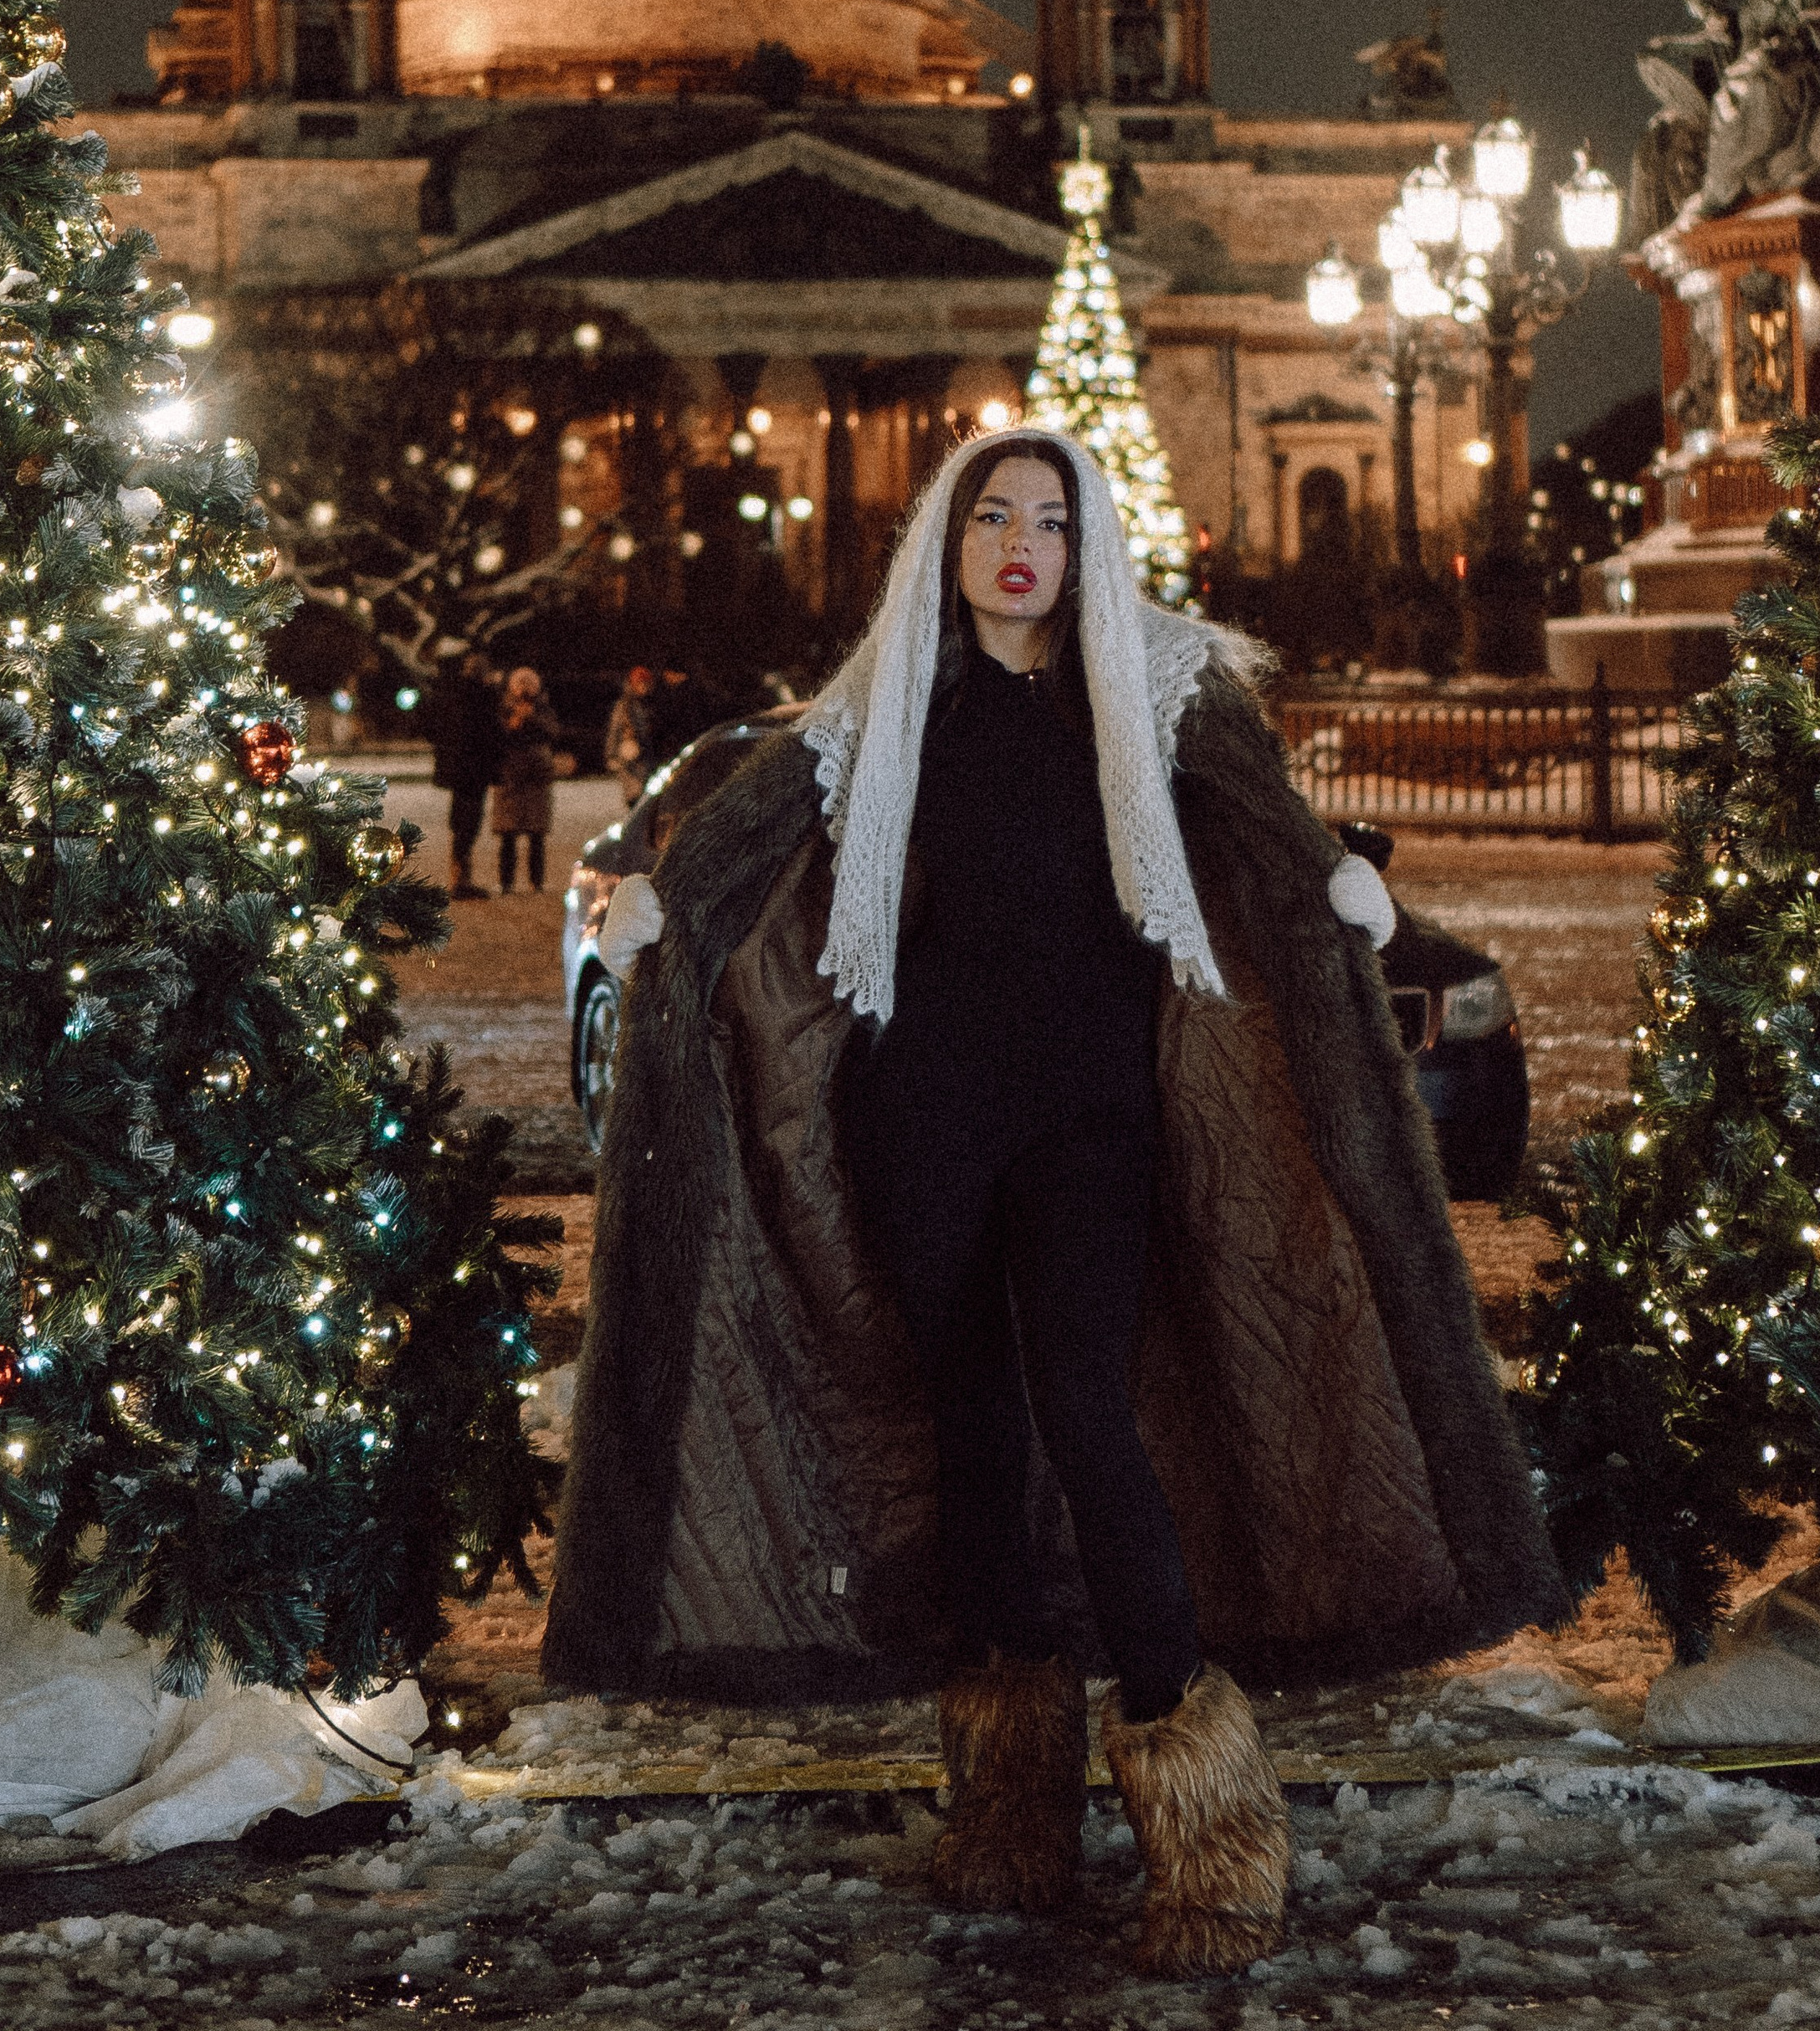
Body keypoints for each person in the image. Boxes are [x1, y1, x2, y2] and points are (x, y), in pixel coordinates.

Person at [545, 430, 1564, 1980]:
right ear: (946, 545)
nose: (1020, 544)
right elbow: (760, 822)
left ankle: (1209, 1825)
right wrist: (662, 900)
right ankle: (1011, 1808)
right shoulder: (891, 696)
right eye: (992, 518)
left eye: (1050, 521)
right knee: (971, 1430)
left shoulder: (1155, 685)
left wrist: (1344, 894)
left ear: (1090, 548)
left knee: (1090, 1411)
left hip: (1091, 1117)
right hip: (923, 1112)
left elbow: (1259, 817)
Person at [421, 647, 501, 901]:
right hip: (474, 770)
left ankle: (457, 875)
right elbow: (492, 733)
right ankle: (462, 879)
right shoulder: (483, 696)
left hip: (456, 770)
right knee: (469, 823)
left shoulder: (449, 695)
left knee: (459, 822)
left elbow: (430, 726)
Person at [490, 665, 561, 895]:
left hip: (537, 779)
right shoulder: (503, 708)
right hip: (510, 778)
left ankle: (536, 882)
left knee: (536, 836)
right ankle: (506, 882)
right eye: (521, 684)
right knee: (508, 836)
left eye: (530, 683)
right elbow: (498, 736)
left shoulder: (544, 708)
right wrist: (514, 723)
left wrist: (534, 720)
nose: (525, 689)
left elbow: (553, 732)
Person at [603, 664, 655, 804]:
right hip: (631, 761)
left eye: (645, 683)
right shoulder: (624, 706)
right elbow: (615, 731)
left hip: (648, 758)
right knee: (636, 799)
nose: (643, 687)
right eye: (639, 683)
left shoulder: (652, 703)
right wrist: (611, 755)